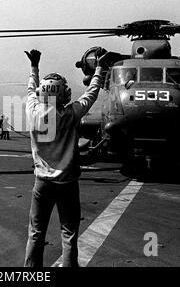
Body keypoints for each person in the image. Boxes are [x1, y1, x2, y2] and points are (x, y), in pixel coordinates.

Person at [23, 49, 110, 267]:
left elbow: (31, 89)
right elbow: (92, 93)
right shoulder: (70, 113)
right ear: (64, 94)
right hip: (67, 184)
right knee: (69, 234)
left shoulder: (32, 109)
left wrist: (34, 66)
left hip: (41, 182)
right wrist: (99, 68)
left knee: (36, 233)